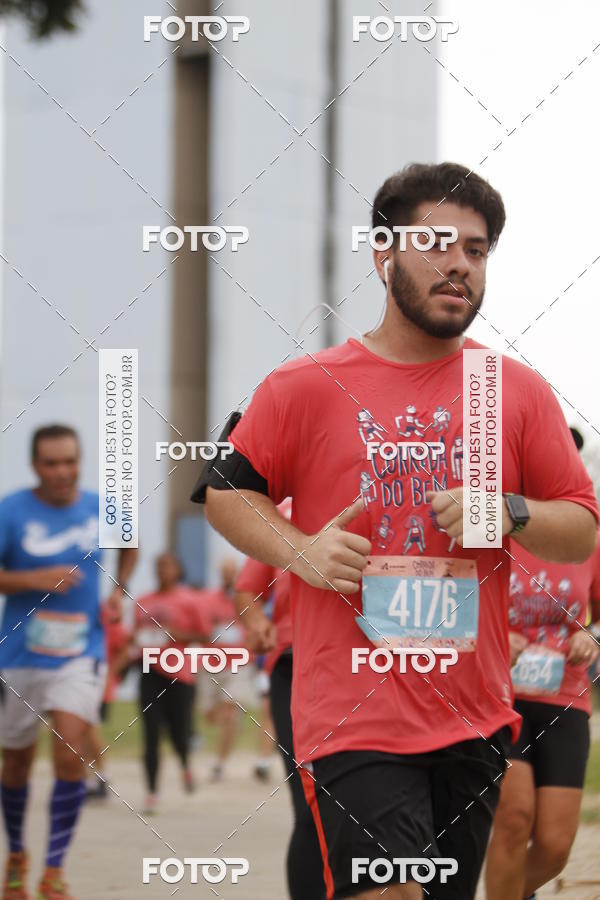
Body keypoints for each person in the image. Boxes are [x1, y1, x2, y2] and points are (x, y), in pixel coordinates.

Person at [196, 162, 598, 900]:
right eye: (439, 243)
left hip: (473, 720)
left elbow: (580, 527)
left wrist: (508, 512)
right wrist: (302, 552)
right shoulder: (305, 385)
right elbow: (225, 495)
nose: (459, 265)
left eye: (476, 251)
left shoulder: (516, 391)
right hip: (351, 721)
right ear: (383, 255)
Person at [0, 424, 137, 900]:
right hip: (19, 654)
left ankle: (54, 870)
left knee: (69, 751)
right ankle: (17, 853)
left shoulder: (102, 507)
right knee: (15, 764)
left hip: (81, 652)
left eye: (70, 461)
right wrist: (37, 577)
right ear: (35, 466)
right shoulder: (10, 510)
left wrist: (119, 591)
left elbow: (131, 542)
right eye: (51, 463)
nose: (62, 472)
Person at [485, 429, 600, 900]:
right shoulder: (488, 526)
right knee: (514, 818)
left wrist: (590, 636)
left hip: (564, 694)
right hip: (496, 695)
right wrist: (494, 632)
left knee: (554, 845)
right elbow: (454, 600)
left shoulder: (587, 535)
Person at [233, 499, 326, 900]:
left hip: (372, 667)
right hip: (296, 664)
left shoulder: (385, 494)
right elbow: (247, 589)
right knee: (310, 805)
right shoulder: (281, 514)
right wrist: (256, 622)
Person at [125, 553, 206, 815]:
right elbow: (133, 636)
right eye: (158, 566)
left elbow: (205, 635)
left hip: (178, 675)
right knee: (150, 734)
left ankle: (185, 764)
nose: (163, 570)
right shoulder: (142, 602)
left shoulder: (190, 600)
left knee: (179, 734)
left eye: (168, 565)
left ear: (177, 569)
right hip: (149, 671)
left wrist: (179, 635)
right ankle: (151, 792)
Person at [197, 558, 244, 781]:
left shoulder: (246, 599)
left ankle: (219, 763)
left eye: (232, 573)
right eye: (225, 573)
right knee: (209, 714)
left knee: (229, 710)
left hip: (238, 663)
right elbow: (202, 629)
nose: (229, 577)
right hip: (211, 662)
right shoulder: (208, 600)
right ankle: (225, 723)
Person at [84, 602, 132, 801]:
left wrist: (109, 675)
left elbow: (125, 653)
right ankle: (88, 778)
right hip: (83, 682)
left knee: (90, 729)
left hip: (100, 686)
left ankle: (101, 777)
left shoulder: (112, 625)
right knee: (80, 733)